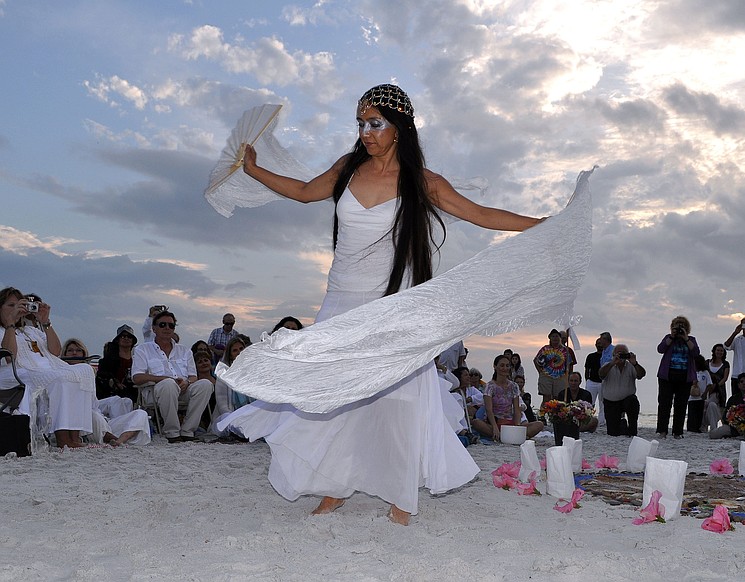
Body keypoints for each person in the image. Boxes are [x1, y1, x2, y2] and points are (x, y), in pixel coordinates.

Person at [217, 84, 543, 525]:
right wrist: (255, 171)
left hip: (392, 307)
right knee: (331, 400)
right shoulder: (348, 169)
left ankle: (401, 496)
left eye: (375, 123)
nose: (366, 132)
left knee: (398, 401)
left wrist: (541, 225)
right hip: (340, 301)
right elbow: (302, 191)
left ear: (400, 127)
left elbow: (481, 214)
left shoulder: (422, 182)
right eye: (360, 123)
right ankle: (333, 486)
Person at [1, 288, 93, 448]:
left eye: (19, 305)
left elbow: (56, 351)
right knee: (59, 378)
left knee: (84, 371)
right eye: (10, 305)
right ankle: (62, 438)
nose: (16, 309)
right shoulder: (3, 331)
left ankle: (74, 438)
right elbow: (9, 356)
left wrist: (45, 323)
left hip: (45, 369)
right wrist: (10, 324)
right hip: (13, 372)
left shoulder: (30, 331)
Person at [131, 310, 214, 443]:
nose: (167, 328)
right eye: (162, 324)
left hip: (183, 389)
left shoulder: (184, 351)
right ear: (154, 328)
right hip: (156, 391)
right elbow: (137, 377)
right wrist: (162, 379)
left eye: (171, 325)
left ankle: (187, 431)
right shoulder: (143, 349)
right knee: (168, 384)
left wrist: (187, 382)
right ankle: (172, 432)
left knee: (205, 384)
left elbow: (193, 377)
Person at [62, 338, 149, 446]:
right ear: (64, 353)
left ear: (84, 354)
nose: (74, 353)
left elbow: (95, 403)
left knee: (140, 413)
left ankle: (118, 441)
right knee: (92, 414)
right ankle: (113, 437)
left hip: (100, 419)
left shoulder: (88, 371)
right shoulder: (62, 373)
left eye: (78, 350)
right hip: (86, 420)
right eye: (70, 350)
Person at [472, 354, 544, 441]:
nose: (505, 368)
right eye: (502, 365)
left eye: (507, 365)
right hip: (495, 423)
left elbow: (517, 409)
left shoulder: (513, 386)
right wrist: (494, 427)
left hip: (510, 424)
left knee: (539, 424)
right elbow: (488, 409)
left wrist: (517, 427)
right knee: (476, 423)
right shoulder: (490, 386)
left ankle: (508, 436)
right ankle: (505, 436)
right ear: (495, 366)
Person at [656, 315, 700, 439]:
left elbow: (696, 352)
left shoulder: (691, 339)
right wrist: (672, 336)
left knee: (681, 405)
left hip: (684, 377)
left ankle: (677, 432)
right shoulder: (668, 338)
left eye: (682, 325)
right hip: (667, 376)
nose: (680, 327)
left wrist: (685, 338)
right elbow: (660, 349)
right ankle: (662, 431)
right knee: (664, 403)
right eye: (677, 325)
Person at [599, 344, 644, 437]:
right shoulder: (607, 366)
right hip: (611, 402)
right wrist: (612, 363)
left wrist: (635, 363)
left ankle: (632, 430)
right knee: (613, 433)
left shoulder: (631, 366)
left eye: (624, 354)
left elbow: (641, 375)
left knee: (633, 401)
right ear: (614, 355)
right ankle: (622, 424)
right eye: (619, 354)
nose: (621, 356)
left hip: (627, 400)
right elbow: (601, 375)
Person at [96, 325, 139, 403]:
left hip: (134, 393)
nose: (126, 338)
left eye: (129, 336)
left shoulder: (138, 357)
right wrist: (115, 383)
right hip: (111, 395)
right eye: (123, 336)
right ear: (118, 340)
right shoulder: (107, 359)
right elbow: (102, 375)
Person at [709, 373, 745, 440]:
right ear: (738, 385)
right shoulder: (733, 399)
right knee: (713, 434)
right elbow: (725, 417)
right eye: (741, 382)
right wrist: (735, 425)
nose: (744, 383)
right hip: (733, 428)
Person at [534, 329, 571, 404]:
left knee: (558, 398)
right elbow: (536, 360)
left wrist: (568, 376)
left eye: (557, 336)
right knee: (546, 398)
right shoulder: (545, 349)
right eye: (553, 336)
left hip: (560, 377)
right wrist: (541, 372)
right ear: (550, 338)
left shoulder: (565, 350)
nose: (555, 338)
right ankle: (544, 414)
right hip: (546, 376)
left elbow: (569, 363)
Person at [584, 334, 608, 428]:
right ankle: (587, 420)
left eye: (601, 343)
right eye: (598, 343)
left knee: (603, 403)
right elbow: (587, 369)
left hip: (603, 382)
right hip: (592, 382)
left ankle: (602, 422)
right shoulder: (591, 356)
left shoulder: (607, 356)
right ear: (595, 345)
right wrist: (587, 381)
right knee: (589, 403)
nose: (599, 345)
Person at [686, 354, 710, 433]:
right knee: (691, 414)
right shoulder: (690, 372)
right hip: (691, 397)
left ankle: (697, 428)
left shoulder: (705, 372)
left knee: (699, 414)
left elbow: (709, 383)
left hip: (701, 397)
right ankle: (691, 428)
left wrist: (705, 393)